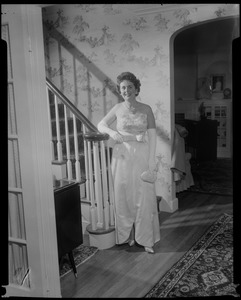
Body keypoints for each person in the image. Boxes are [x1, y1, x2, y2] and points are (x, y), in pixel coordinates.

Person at [97, 72, 160, 253]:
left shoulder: (146, 109)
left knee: (144, 197)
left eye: (130, 87)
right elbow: (101, 125)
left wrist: (151, 162)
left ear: (136, 88)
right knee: (123, 195)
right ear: (120, 90)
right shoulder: (117, 108)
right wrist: (113, 133)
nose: (126, 90)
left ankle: (146, 239)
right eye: (123, 88)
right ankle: (128, 236)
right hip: (121, 155)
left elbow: (153, 138)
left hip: (141, 154)